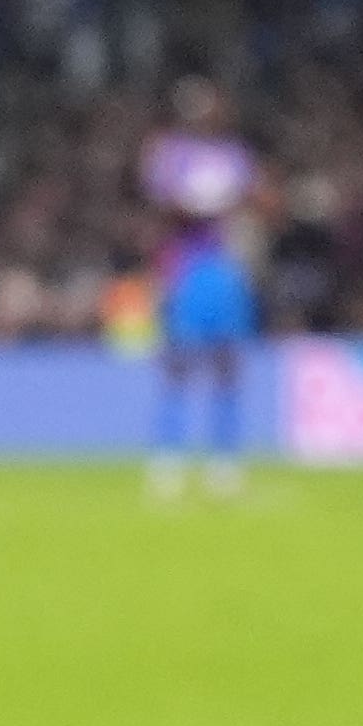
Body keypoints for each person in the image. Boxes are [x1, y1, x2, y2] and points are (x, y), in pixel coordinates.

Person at [140, 78, 260, 500]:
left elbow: (256, 202)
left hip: (228, 269)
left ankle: (223, 464)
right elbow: (166, 207)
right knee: (178, 365)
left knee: (228, 366)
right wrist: (205, 206)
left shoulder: (234, 155)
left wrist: (225, 205)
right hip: (185, 268)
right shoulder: (169, 154)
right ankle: (168, 463)